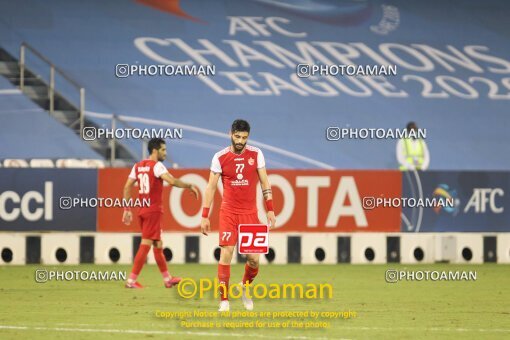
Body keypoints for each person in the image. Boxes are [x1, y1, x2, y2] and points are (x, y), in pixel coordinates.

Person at [201, 119, 276, 312]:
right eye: (237, 136)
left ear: (247, 137)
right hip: (229, 213)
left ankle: (244, 287)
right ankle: (224, 301)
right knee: (226, 254)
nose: (241, 141)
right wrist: (204, 214)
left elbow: (265, 182)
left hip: (250, 214)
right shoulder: (220, 157)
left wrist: (270, 208)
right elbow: (210, 187)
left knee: (254, 260)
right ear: (230, 134)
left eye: (244, 137)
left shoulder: (256, 154)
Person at [122, 138, 199, 288]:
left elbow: (126, 187)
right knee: (146, 244)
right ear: (155, 151)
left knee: (158, 244)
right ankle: (131, 280)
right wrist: (188, 185)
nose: (165, 153)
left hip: (142, 210)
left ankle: (167, 279)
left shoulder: (137, 166)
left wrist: (126, 209)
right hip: (153, 211)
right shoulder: (157, 166)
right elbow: (171, 181)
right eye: (163, 150)